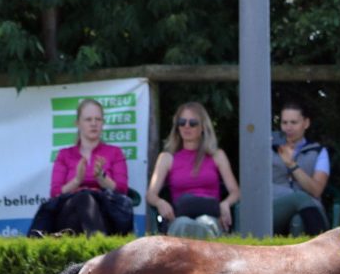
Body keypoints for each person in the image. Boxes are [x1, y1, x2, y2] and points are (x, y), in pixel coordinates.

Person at [29, 98, 131, 236]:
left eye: (98, 119)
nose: (94, 124)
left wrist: (102, 179)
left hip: (106, 212)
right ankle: (98, 246)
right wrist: (77, 180)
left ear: (103, 123)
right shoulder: (64, 155)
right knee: (83, 197)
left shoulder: (115, 152)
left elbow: (122, 190)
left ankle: (94, 244)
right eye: (88, 119)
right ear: (78, 123)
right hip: (67, 213)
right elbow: (55, 193)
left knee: (85, 201)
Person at [146, 102, 240, 239]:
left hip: (210, 216)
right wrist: (160, 202)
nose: (186, 126)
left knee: (205, 223)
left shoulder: (217, 156)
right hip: (180, 217)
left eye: (193, 122)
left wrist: (225, 204)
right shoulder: (166, 158)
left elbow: (235, 192)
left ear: (203, 126)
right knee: (183, 224)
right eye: (182, 122)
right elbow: (150, 194)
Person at [272, 99, 331, 236]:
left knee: (298, 220)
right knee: (299, 197)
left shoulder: (318, 151)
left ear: (306, 123)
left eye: (294, 122)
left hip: (309, 210)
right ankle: (325, 242)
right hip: (274, 209)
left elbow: (316, 190)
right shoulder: (269, 150)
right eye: (284, 122)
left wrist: (292, 165)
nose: (288, 127)